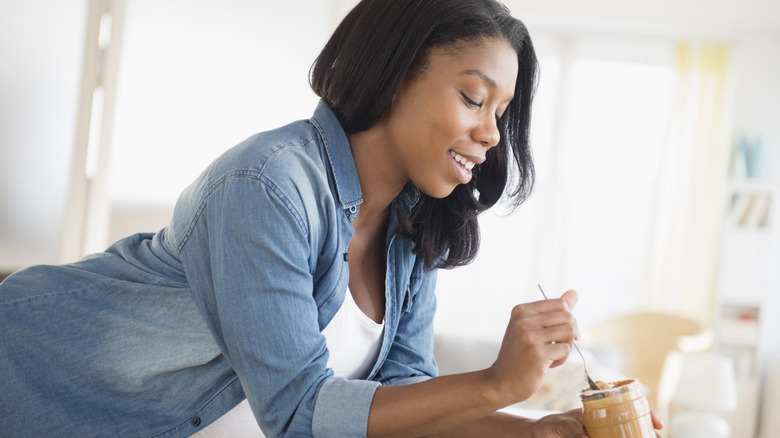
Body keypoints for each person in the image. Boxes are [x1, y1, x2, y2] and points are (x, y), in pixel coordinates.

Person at [0, 0, 663, 437]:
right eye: (473, 97)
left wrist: (534, 429)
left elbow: (403, 397)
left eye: (501, 112)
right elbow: (300, 412)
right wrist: (494, 382)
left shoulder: (413, 229)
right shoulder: (268, 185)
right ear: (398, 72)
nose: (492, 134)